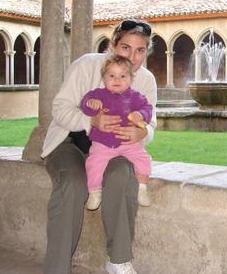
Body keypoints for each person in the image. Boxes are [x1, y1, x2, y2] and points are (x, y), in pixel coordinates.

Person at [41, 19, 157, 274]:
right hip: (69, 142)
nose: (133, 57)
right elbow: (59, 108)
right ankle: (56, 269)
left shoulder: (146, 80)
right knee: (72, 183)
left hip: (112, 148)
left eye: (140, 50)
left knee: (121, 174)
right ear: (113, 44)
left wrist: (140, 132)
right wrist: (90, 120)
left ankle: (118, 260)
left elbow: (150, 124)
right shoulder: (86, 65)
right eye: (126, 47)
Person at [81, 54, 153, 210]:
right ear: (104, 78)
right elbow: (84, 103)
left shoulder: (135, 97)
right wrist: (90, 103)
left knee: (143, 158)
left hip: (128, 142)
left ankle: (142, 188)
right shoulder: (98, 94)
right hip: (103, 142)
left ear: (131, 79)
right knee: (93, 163)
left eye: (123, 76)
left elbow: (147, 109)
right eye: (111, 75)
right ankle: (94, 192)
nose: (117, 80)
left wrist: (140, 115)